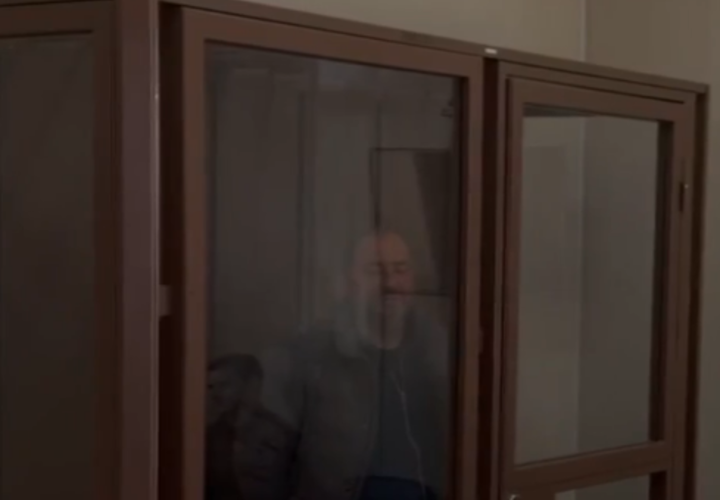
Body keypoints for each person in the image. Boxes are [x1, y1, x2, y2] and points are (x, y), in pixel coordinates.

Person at [234, 230, 449, 500]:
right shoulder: (303, 359)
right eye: (375, 270)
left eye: (401, 269)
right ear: (346, 282)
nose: (391, 282)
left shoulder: (443, 353)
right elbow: (259, 468)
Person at [206, 355, 263, 500]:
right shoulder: (209, 435)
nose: (215, 394)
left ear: (250, 385)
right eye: (210, 387)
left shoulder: (279, 436)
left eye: (224, 385)